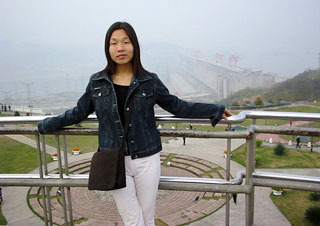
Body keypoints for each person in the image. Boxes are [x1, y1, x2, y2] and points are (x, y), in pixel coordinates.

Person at [38, 21, 232, 226]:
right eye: (114, 43)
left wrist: (215, 110)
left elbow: (178, 107)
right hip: (114, 160)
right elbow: (78, 112)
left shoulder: (149, 81)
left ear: (134, 46)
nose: (120, 48)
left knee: (147, 217)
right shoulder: (97, 82)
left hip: (147, 158)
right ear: (108, 48)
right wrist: (48, 124)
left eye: (125, 42)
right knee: (132, 218)